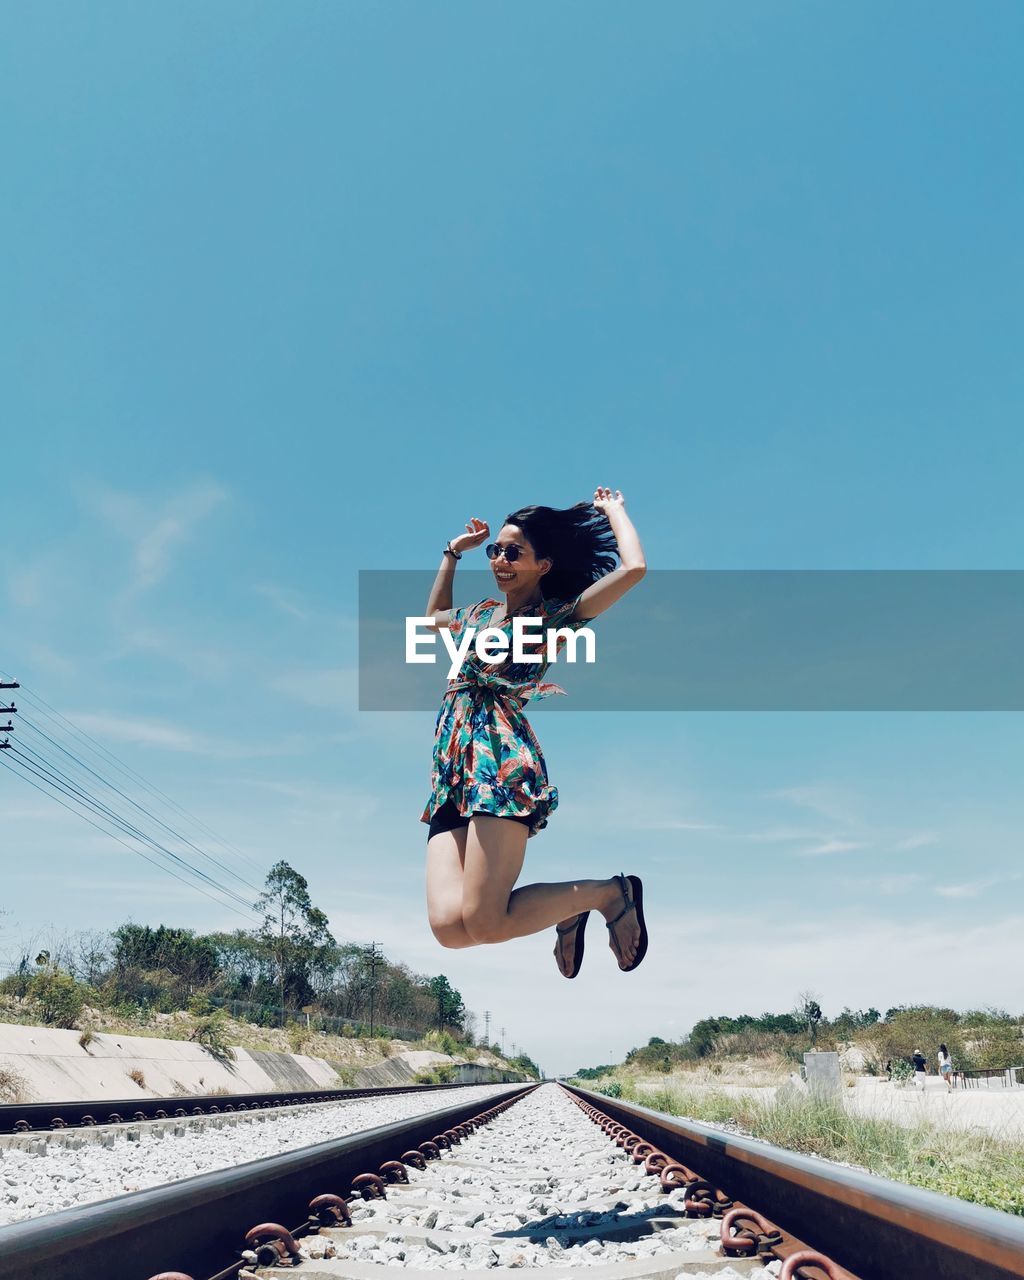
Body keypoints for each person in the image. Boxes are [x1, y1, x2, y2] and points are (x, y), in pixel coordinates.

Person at [421, 487, 649, 978]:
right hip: (452, 765)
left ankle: (612, 894)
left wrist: (614, 512)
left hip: (498, 759)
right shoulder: (479, 614)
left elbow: (633, 570)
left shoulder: (555, 617)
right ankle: (568, 911)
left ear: (542, 565)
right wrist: (452, 554)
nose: (500, 559)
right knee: (448, 927)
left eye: (513, 552)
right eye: (495, 551)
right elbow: (430, 621)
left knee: (483, 922)